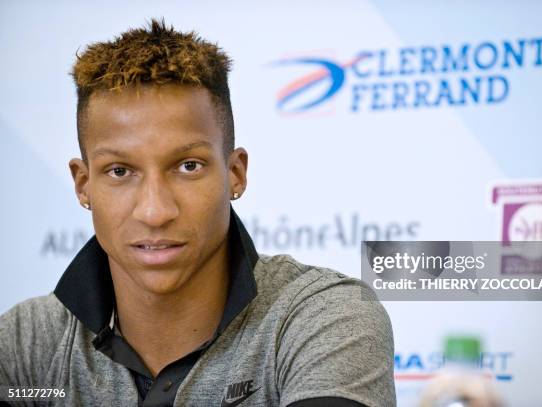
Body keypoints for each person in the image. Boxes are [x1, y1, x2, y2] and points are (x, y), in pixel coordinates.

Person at [0, 19, 395, 407]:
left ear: (235, 174)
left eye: (188, 166)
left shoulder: (321, 319)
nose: (155, 212)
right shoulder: (24, 343)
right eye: (120, 171)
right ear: (83, 184)